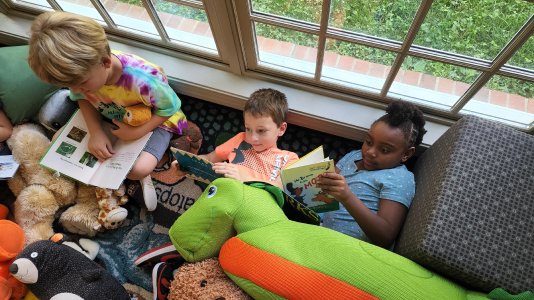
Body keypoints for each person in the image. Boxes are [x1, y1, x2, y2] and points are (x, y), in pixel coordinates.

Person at [27, 12, 187, 208]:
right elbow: (82, 99)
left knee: (138, 170)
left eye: (82, 84)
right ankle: (108, 177)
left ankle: (118, 177)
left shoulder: (144, 80)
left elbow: (170, 108)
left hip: (155, 121)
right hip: (110, 114)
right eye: (70, 86)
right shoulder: (85, 74)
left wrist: (137, 131)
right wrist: (95, 132)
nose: (76, 91)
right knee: (57, 141)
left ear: (105, 62)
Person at [318, 100, 427, 250]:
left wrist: (347, 197)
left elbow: (385, 237)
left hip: (356, 250)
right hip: (324, 232)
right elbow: (326, 190)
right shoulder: (354, 156)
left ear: (406, 154)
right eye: (368, 142)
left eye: (384, 150)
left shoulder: (399, 178)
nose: (370, 152)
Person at [172, 88, 298, 189]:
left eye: (261, 131)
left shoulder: (289, 158)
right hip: (226, 196)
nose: (253, 138)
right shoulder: (241, 139)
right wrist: (187, 163)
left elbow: (280, 188)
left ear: (281, 129)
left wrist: (244, 179)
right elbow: (210, 159)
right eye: (248, 128)